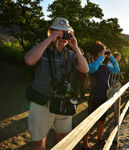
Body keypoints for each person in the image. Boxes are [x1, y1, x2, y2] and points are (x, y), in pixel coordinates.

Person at [24, 17, 89, 150]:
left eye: (66, 32)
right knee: (39, 140)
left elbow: (85, 69)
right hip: (42, 101)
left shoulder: (71, 54)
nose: (63, 36)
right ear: (52, 32)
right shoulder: (42, 49)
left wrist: (76, 47)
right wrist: (49, 39)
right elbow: (29, 60)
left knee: (64, 138)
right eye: (59, 32)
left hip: (64, 101)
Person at [82, 42, 120, 149]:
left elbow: (116, 70)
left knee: (102, 119)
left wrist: (111, 58)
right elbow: (92, 69)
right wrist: (101, 57)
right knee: (89, 121)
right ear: (97, 53)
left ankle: (99, 138)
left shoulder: (105, 66)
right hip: (94, 96)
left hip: (104, 96)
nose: (105, 52)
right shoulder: (91, 65)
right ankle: (85, 143)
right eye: (103, 51)